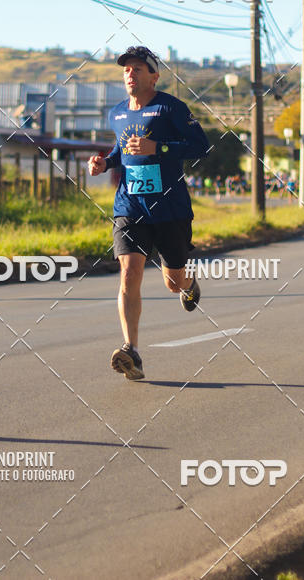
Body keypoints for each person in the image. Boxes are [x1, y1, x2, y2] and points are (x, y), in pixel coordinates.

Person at [88, 46, 209, 381]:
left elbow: (202, 146)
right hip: (130, 207)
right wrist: (105, 162)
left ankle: (188, 284)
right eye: (126, 69)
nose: (130, 74)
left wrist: (160, 148)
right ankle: (132, 351)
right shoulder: (117, 113)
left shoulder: (170, 107)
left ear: (154, 76)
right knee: (129, 272)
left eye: (138, 69)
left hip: (170, 208)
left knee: (172, 282)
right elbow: (121, 148)